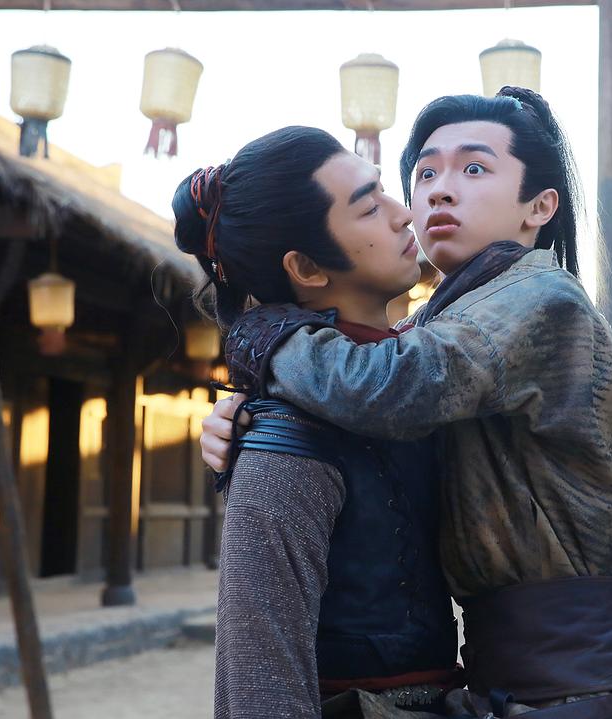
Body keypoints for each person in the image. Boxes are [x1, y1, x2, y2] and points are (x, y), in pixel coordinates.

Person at [205, 87, 612, 719]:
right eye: (425, 173)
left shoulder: (541, 298)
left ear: (540, 207)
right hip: (513, 684)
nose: (434, 194)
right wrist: (245, 415)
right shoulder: (446, 323)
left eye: (474, 168)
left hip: (584, 689)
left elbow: (389, 384)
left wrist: (267, 338)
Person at [174, 126, 460, 719]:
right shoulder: (286, 443)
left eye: (384, 191)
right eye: (368, 207)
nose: (405, 213)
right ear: (306, 267)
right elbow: (261, 690)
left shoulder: (421, 377)